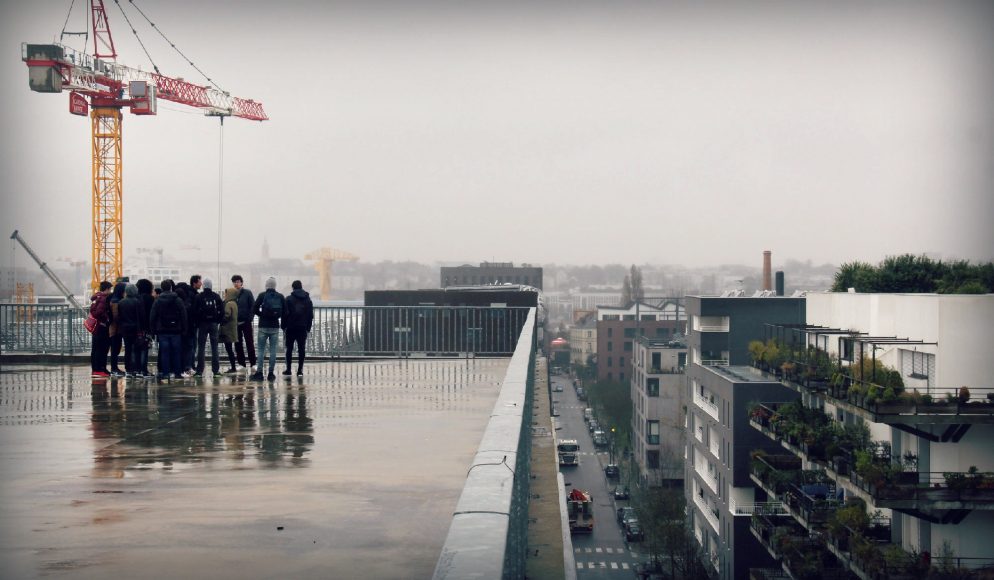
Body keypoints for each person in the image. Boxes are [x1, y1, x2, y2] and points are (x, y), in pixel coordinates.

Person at [150, 279, 187, 381]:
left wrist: (153, 330)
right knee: (176, 352)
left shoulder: (158, 301)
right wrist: (184, 329)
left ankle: (165, 373)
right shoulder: (178, 300)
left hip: (162, 331)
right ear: (171, 287)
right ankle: (177, 373)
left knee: (164, 353)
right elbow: (184, 315)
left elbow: (153, 316)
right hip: (176, 330)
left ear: (162, 288)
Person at [251, 277, 284, 382]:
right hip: (274, 327)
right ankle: (271, 374)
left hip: (263, 326)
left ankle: (259, 373)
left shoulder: (262, 295)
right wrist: (277, 316)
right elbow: (286, 311)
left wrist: (262, 315)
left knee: (261, 350)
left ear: (267, 285)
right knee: (273, 350)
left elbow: (254, 308)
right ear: (275, 285)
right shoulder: (280, 296)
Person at [282, 280, 314, 377]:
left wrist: (283, 326)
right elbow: (310, 315)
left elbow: (285, 314)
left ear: (293, 288)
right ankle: (300, 370)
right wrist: (308, 328)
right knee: (301, 349)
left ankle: (288, 369)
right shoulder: (308, 300)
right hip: (302, 327)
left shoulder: (288, 299)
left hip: (291, 327)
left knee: (289, 349)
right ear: (301, 287)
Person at [193, 278, 224, 377]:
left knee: (201, 348)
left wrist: (197, 323)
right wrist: (217, 321)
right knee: (214, 347)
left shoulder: (199, 296)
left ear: (203, 286)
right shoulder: (216, 296)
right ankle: (216, 371)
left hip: (202, 324)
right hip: (214, 324)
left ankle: (199, 371)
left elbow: (195, 311)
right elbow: (222, 311)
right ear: (211, 286)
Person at [116, 284, 146, 378]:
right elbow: (142, 317)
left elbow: (118, 316)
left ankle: (128, 369)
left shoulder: (121, 302)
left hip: (125, 329)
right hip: (135, 328)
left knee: (128, 349)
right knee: (136, 349)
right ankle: (136, 368)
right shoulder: (138, 302)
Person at [231, 274, 257, 372]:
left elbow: (253, 306)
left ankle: (253, 363)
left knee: (249, 343)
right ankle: (241, 364)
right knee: (238, 344)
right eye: (234, 282)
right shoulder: (232, 294)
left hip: (246, 322)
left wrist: (250, 318)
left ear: (241, 282)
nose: (236, 284)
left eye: (238, 282)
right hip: (235, 323)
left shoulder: (247, 293)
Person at [89, 281, 113, 377]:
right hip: (101, 326)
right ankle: (99, 369)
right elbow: (98, 312)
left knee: (95, 348)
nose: (110, 291)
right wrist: (106, 318)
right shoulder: (103, 298)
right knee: (101, 348)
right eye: (110, 289)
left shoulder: (96, 297)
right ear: (106, 289)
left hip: (96, 327)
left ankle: (96, 369)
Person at [175, 279, 198, 377]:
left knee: (180, 349)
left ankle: (181, 367)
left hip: (177, 330)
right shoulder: (188, 301)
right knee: (190, 348)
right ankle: (189, 367)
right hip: (189, 329)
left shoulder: (176, 301)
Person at [135, 279, 156, 377]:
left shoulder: (136, 298)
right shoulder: (150, 299)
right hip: (147, 327)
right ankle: (144, 370)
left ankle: (137, 369)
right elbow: (152, 314)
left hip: (136, 327)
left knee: (136, 349)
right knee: (145, 349)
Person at [107, 281, 127, 377]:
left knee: (116, 349)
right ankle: (114, 368)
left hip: (115, 329)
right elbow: (116, 316)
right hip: (115, 329)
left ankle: (115, 368)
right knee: (115, 349)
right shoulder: (116, 301)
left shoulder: (113, 298)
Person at [219, 287, 240, 374]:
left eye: (226, 293)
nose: (225, 295)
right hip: (232, 329)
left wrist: (220, 320)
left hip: (227, 330)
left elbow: (227, 315)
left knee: (229, 349)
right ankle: (233, 366)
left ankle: (233, 367)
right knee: (230, 349)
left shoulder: (228, 304)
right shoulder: (235, 303)